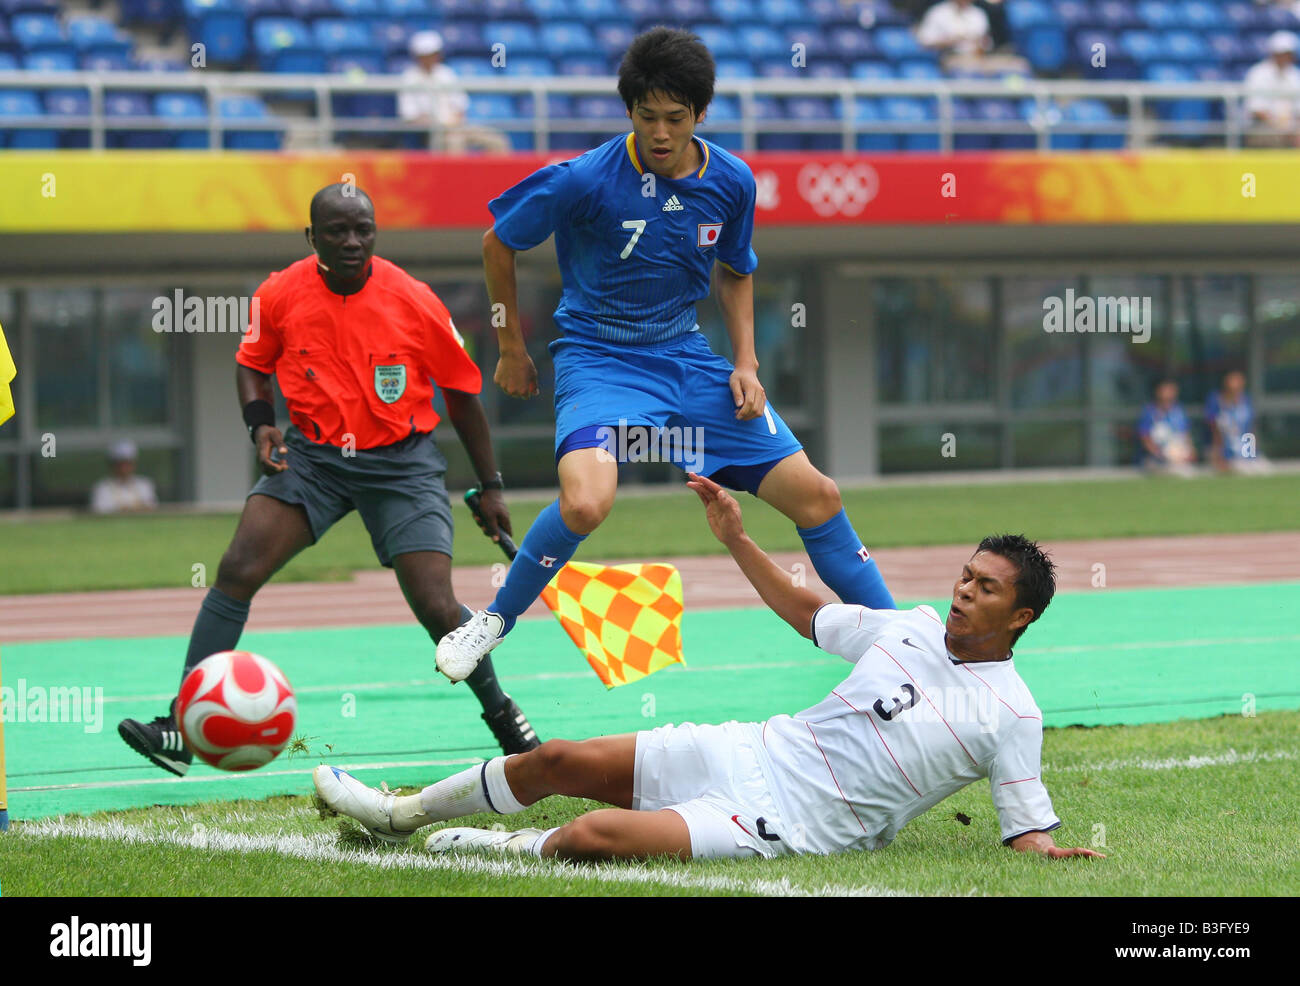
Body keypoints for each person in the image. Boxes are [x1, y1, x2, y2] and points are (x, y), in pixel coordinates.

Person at [315, 473, 1103, 864]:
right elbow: (806, 613)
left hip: (792, 824)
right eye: (966, 576)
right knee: (555, 759)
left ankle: (474, 847)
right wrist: (735, 536)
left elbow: (1026, 830)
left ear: (1021, 616)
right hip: (752, 749)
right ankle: (396, 815)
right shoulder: (911, 626)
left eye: (986, 588)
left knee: (592, 837)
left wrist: (1055, 855)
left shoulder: (1013, 714)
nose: (964, 592)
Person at [434, 27, 896, 685]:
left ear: (699, 115)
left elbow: (736, 271)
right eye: (646, 116)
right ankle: (493, 621)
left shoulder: (732, 182)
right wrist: (510, 346)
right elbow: (496, 242)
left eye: (674, 118)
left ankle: (907, 646)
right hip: (599, 362)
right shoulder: (586, 180)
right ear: (630, 111)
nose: (659, 131)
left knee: (818, 497)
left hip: (687, 361)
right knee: (588, 504)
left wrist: (746, 363)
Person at [117, 183, 540, 777]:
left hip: (402, 464)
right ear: (312, 237)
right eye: (337, 231)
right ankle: (182, 726)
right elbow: (251, 364)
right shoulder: (280, 292)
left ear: (375, 233)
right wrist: (261, 426)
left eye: (362, 229)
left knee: (439, 607)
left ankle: (507, 724)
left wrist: (490, 485)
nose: (351, 241)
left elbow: (463, 395)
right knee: (238, 568)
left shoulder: (414, 300)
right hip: (314, 460)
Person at [398, 30, 509, 154]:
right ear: (417, 56)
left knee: (496, 140)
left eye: (433, 53)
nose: (430, 58)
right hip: (431, 133)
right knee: (455, 142)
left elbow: (461, 106)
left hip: (458, 127)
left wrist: (454, 122)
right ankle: (461, 174)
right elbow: (410, 117)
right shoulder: (409, 78)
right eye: (425, 55)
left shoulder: (446, 73)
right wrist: (438, 125)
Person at [1206, 369, 1270, 474]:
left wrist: (1253, 453)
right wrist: (1218, 456)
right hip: (1228, 453)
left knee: (1265, 470)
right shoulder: (1216, 401)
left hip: (1247, 452)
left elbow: (1250, 429)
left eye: (1238, 380)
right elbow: (1214, 430)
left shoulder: (1246, 401)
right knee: (1243, 471)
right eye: (1233, 380)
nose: (1236, 384)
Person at [1243, 31, 1300, 148]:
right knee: (1272, 137)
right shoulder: (1258, 73)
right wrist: (1284, 128)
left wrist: (1292, 128)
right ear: (1273, 54)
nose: (1284, 57)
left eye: (1287, 53)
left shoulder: (1295, 74)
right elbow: (1257, 110)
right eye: (1281, 53)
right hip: (1262, 126)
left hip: (1290, 127)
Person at [1136, 379, 1197, 476]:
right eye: (1165, 390)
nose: (1168, 394)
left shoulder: (1179, 411)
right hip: (1156, 461)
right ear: (1158, 392)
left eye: (1171, 391)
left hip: (1178, 460)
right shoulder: (1149, 412)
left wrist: (1190, 452)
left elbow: (1185, 434)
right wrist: (1161, 455)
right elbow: (1144, 437)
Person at [90, 439, 159, 514]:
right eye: (120, 464)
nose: (124, 468)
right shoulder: (102, 488)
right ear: (112, 465)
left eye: (128, 463)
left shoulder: (144, 484)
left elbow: (152, 508)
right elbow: (99, 511)